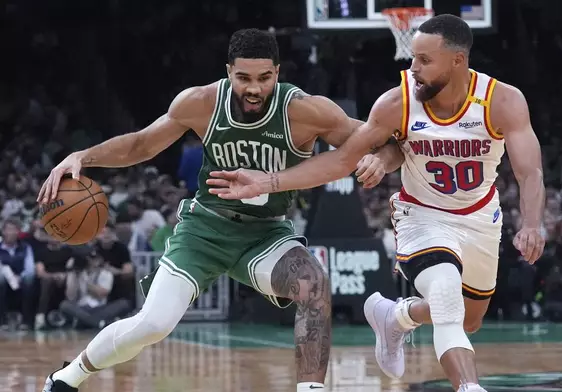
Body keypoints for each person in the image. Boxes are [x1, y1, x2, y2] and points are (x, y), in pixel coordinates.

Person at [207, 15, 546, 392]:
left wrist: (531, 223)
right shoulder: (397, 102)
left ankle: (396, 316)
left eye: (424, 60)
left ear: (457, 61)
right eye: (412, 57)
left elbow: (529, 172)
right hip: (422, 216)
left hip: (480, 217)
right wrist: (268, 180)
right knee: (447, 295)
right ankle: (469, 386)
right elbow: (340, 160)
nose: (413, 67)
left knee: (469, 320)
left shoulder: (502, 101)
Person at [37, 28, 386, 392]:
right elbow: (141, 145)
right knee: (153, 325)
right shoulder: (201, 103)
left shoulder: (305, 111)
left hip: (265, 233)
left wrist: (378, 159)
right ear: (228, 70)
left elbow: (381, 139)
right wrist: (83, 156)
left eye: (264, 78)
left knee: (313, 285)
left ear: (278, 73)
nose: (254, 88)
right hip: (205, 228)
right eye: (244, 78)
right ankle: (67, 377)